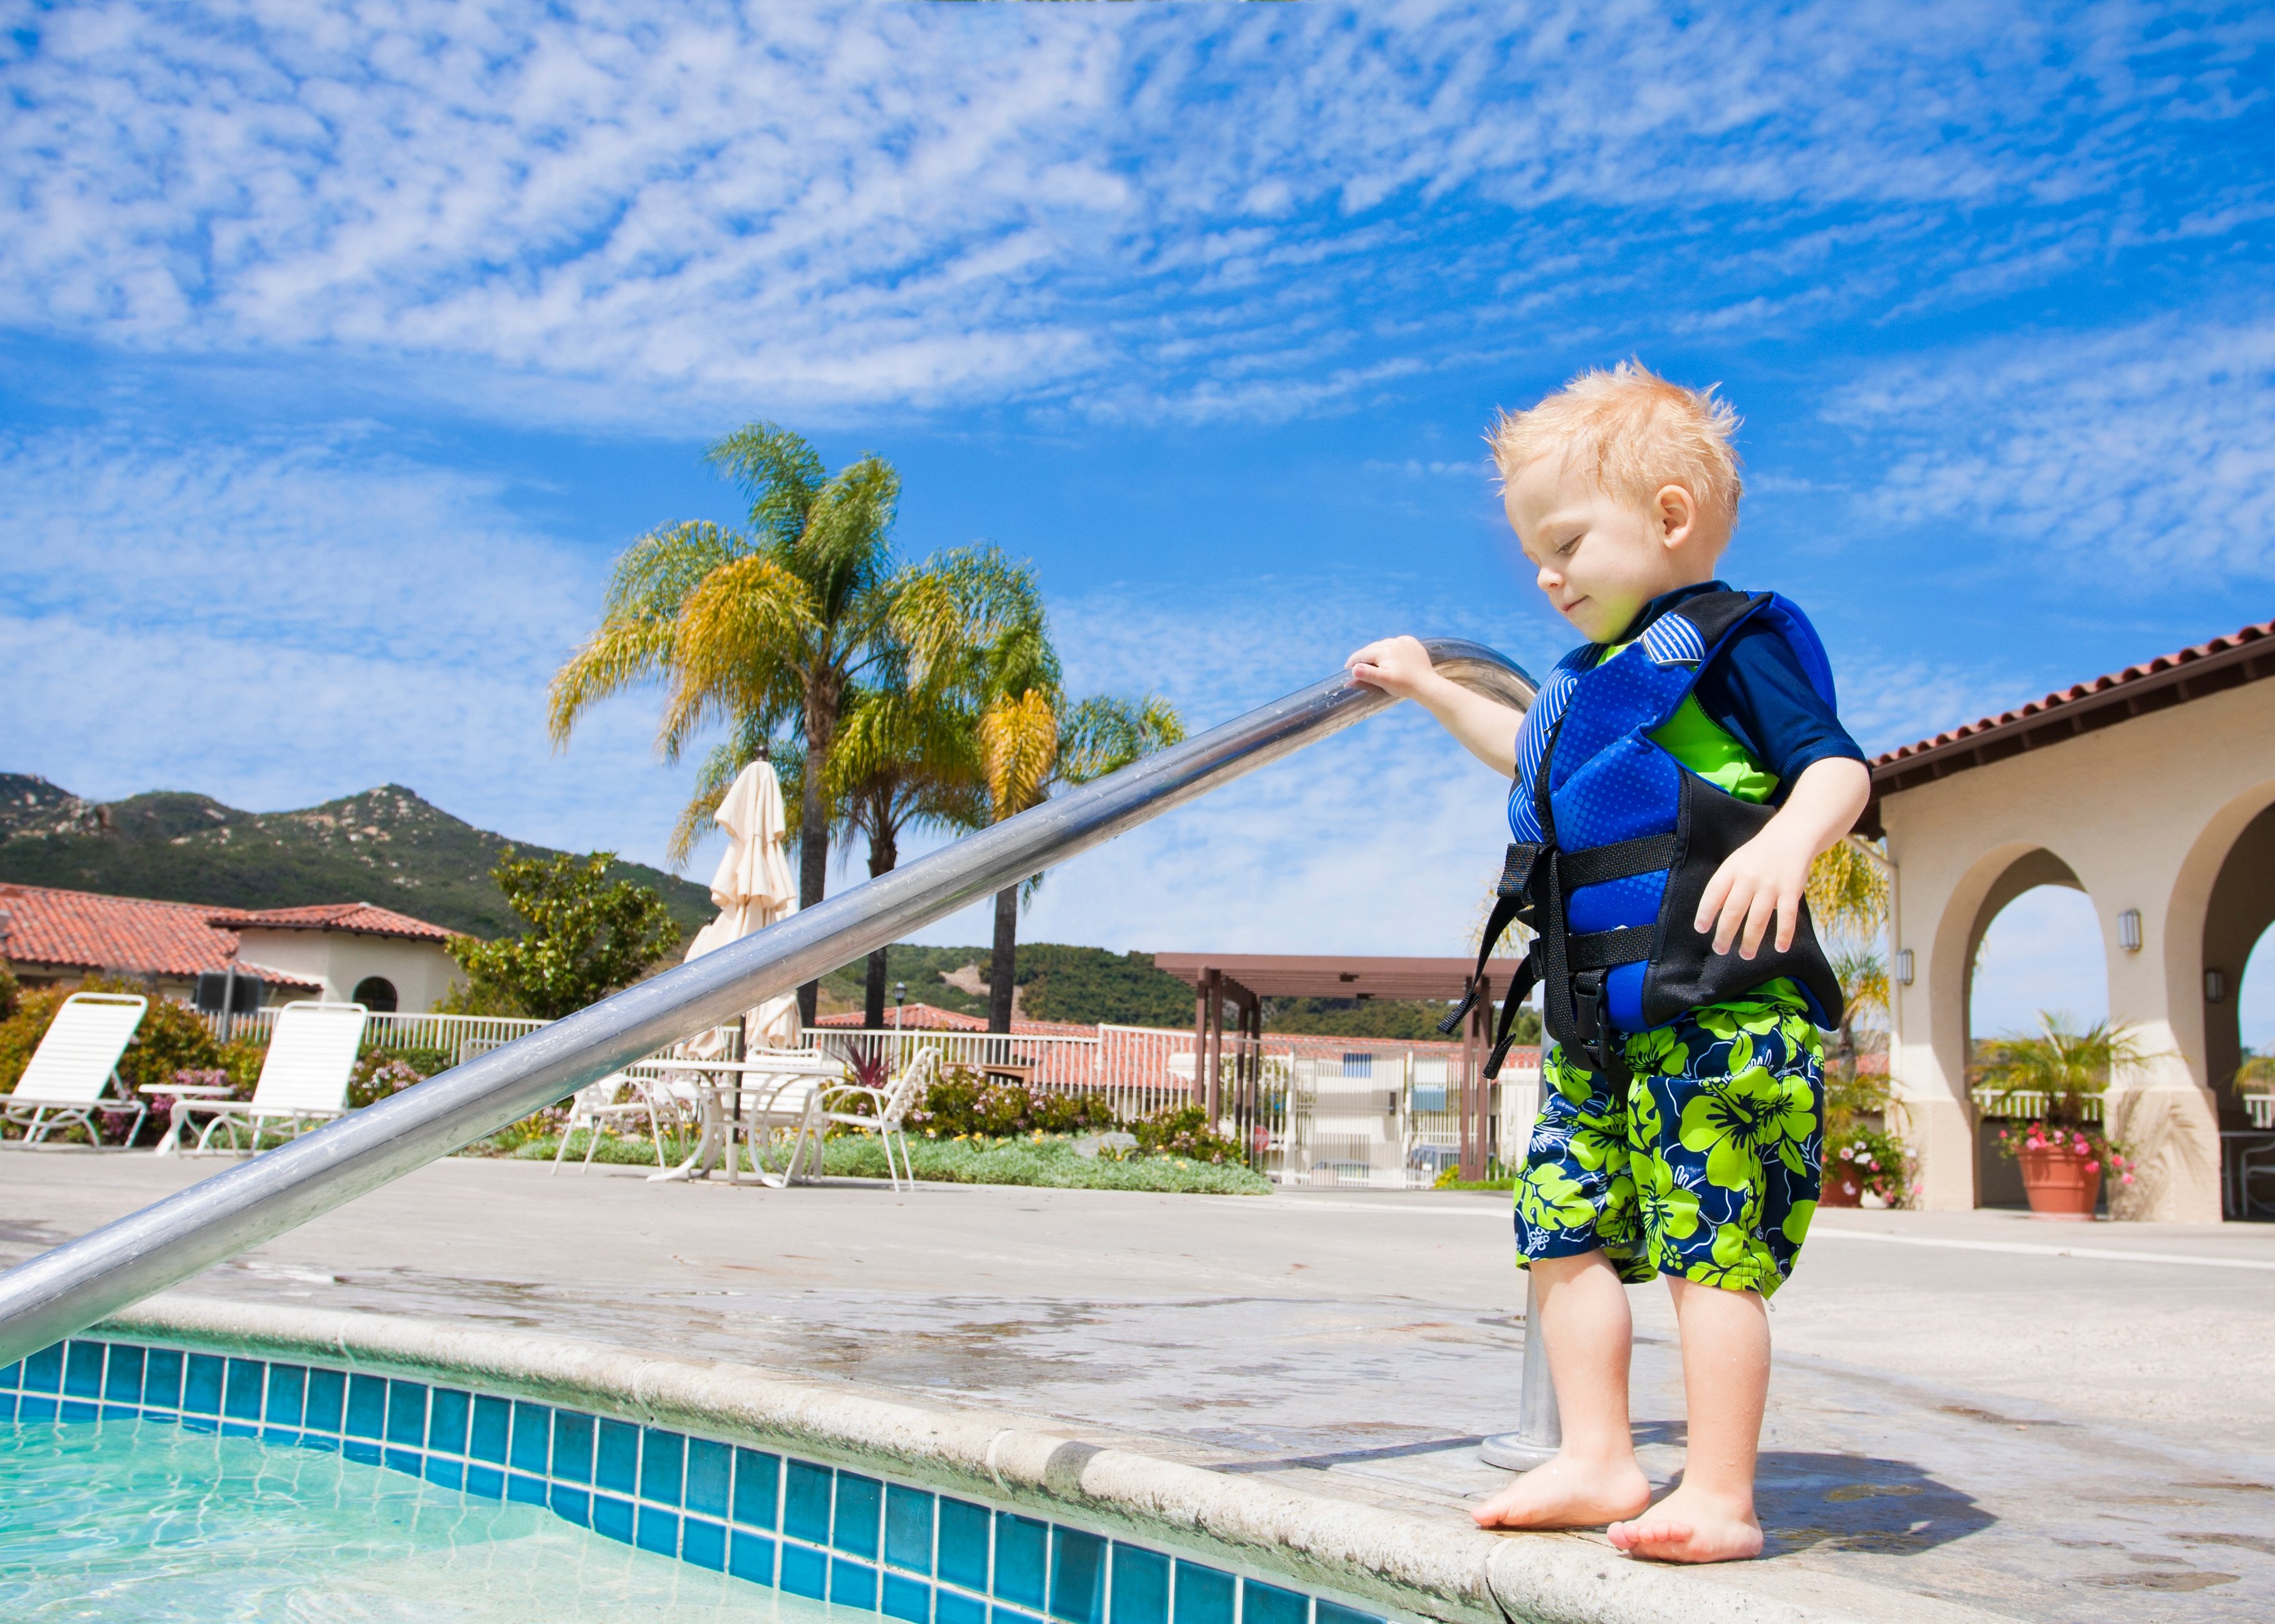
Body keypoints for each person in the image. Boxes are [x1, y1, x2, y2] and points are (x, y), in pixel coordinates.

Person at [1346, 361, 1871, 1564]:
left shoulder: (1732, 646)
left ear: (1670, 518)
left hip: (1718, 1005)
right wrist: (1430, 687)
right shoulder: (1586, 685)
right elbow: (1527, 755)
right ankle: (1595, 1455)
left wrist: (1790, 841)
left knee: (1710, 1249)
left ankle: (1721, 1495)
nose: (1545, 575)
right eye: (1537, 550)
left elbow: (1835, 767)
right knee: (1560, 1230)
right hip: (1597, 1022)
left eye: (1566, 541)